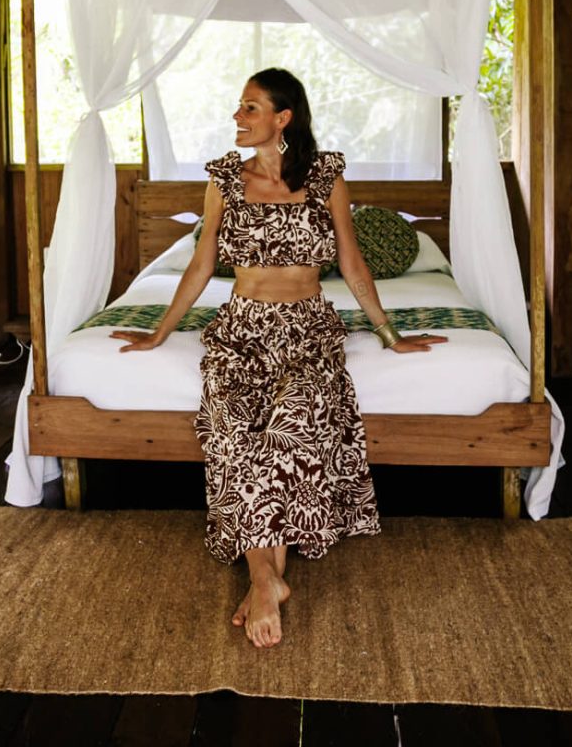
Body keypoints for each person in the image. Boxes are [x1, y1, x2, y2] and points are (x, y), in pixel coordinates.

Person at [111, 68, 446, 648]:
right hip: (240, 329)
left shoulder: (325, 177)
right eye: (239, 109)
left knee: (294, 421)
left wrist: (390, 336)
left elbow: (352, 263)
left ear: (283, 117)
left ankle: (262, 576)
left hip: (309, 330)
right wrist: (160, 332)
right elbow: (199, 265)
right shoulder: (223, 180)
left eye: (250, 108)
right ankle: (267, 577)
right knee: (230, 427)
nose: (237, 118)